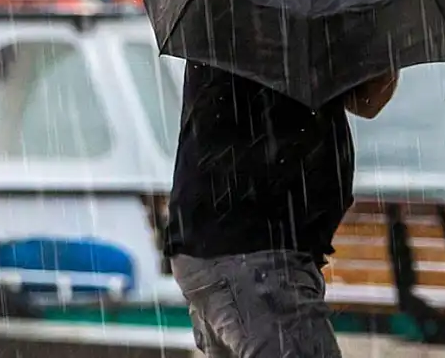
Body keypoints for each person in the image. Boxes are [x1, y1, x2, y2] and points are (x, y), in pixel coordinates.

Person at [166, 62, 397, 358]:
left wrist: (384, 46)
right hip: (250, 251)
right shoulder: (269, 26)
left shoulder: (299, 32)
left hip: (244, 248)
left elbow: (366, 101)